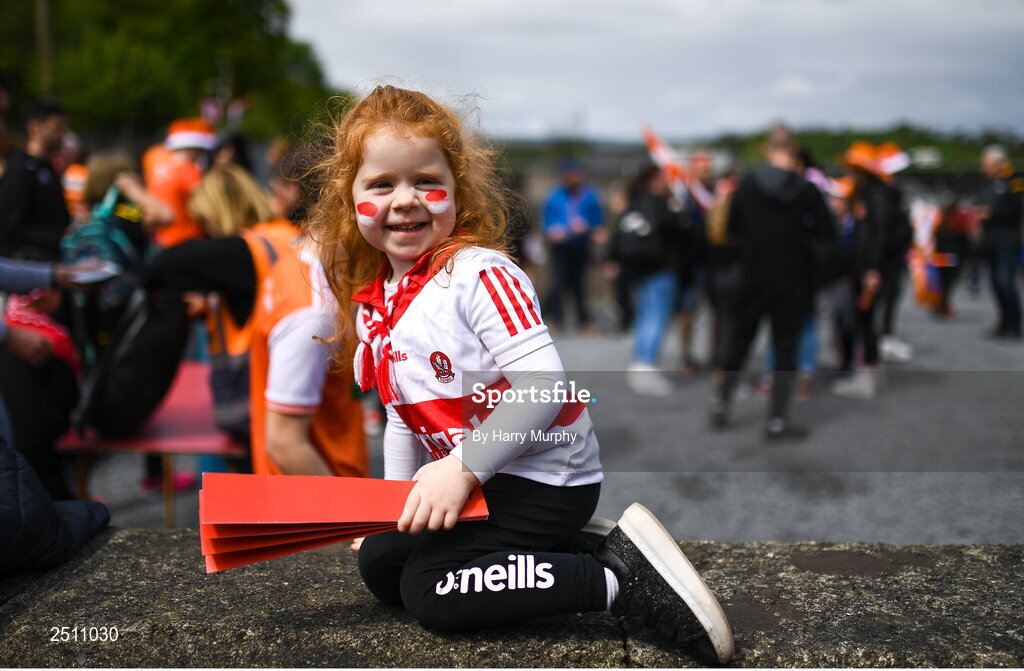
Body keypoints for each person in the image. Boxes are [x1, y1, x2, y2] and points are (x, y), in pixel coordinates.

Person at [307, 85, 734, 661]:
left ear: (457, 188)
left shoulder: (481, 275)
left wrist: (459, 470)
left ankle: (620, 581)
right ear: (349, 197)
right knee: (381, 564)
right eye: (381, 184)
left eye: (425, 181)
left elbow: (546, 388)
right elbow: (402, 417)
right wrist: (394, 503)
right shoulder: (379, 300)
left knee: (429, 590)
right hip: (481, 479)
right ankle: (566, 551)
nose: (404, 200)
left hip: (543, 480)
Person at [709, 125, 836, 439]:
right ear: (794, 152)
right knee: (785, 351)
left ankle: (722, 403)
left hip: (750, 277)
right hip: (792, 281)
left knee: (738, 343)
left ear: (767, 150)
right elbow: (827, 237)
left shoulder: (746, 187)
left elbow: (731, 232)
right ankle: (777, 419)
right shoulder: (808, 190)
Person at [248, 150, 368, 478]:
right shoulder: (314, 311)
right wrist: (351, 524)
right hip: (325, 509)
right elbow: (285, 445)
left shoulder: (298, 260)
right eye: (379, 188)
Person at [610, 163, 686, 396]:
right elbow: (678, 228)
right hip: (660, 269)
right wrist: (678, 210)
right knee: (655, 318)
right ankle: (646, 366)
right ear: (654, 179)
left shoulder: (633, 201)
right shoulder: (659, 203)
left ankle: (639, 365)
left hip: (638, 270)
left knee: (644, 316)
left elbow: (618, 235)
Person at [830, 142, 886, 399]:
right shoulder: (871, 195)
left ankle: (867, 375)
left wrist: (872, 269)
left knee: (865, 322)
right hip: (863, 269)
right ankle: (864, 371)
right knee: (859, 321)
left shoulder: (874, 197)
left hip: (867, 271)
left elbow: (877, 237)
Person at [0, 103, 71, 261]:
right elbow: (11, 229)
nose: (63, 135)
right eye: (56, 130)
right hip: (25, 267)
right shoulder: (20, 170)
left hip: (50, 265)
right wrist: (60, 236)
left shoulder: (48, 169)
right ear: (34, 128)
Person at [541, 159, 604, 335]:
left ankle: (584, 321)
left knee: (579, 285)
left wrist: (588, 226)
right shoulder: (555, 195)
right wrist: (552, 230)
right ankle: (557, 321)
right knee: (559, 283)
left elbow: (597, 218)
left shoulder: (589, 195)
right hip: (561, 247)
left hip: (580, 246)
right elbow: (547, 218)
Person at [146, 118, 217, 248]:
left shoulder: (153, 157)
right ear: (194, 147)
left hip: (160, 237)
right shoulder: (189, 171)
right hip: (186, 239)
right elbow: (206, 207)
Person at [977, 145, 1023, 339]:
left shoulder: (1014, 181)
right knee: (996, 283)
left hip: (1007, 240)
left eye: (986, 164)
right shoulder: (988, 184)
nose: (983, 168)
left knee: (1005, 281)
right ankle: (1004, 322)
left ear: (998, 163)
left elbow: (1017, 208)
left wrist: (991, 213)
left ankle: (1014, 324)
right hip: (990, 240)